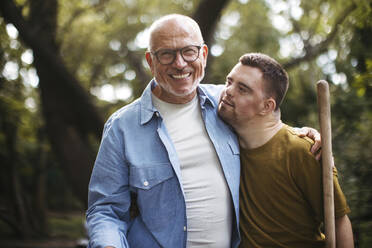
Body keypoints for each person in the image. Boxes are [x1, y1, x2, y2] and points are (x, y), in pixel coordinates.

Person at [86, 14, 320, 248]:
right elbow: (106, 210)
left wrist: (304, 136)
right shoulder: (122, 126)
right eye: (167, 54)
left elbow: (268, 124)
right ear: (150, 60)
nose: (179, 63)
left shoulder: (226, 102)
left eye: (189, 51)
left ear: (203, 55)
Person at [218, 52, 354, 247]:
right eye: (229, 82)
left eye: (243, 89)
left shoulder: (302, 150)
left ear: (267, 106)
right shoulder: (225, 143)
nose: (229, 91)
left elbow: (339, 221)